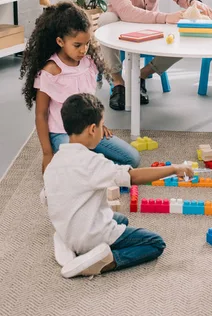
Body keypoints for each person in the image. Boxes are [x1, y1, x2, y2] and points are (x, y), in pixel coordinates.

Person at [43, 93, 194, 278]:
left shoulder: (55, 162)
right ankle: (103, 262)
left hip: (68, 229)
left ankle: (67, 242)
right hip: (90, 236)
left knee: (121, 219)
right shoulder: (92, 162)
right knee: (155, 243)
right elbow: (132, 176)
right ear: (92, 129)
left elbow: (46, 198)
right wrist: (173, 169)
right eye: (102, 124)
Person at [20, 2, 140, 173]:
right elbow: (41, 114)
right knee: (75, 170)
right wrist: (47, 153)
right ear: (60, 41)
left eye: (87, 44)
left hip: (89, 130)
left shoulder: (89, 63)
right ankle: (89, 164)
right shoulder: (51, 72)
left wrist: (98, 124)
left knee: (132, 159)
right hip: (63, 134)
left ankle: (92, 162)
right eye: (77, 45)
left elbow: (90, 102)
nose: (83, 50)